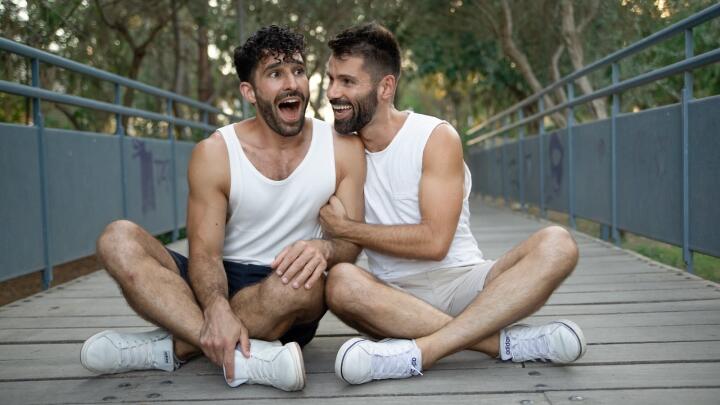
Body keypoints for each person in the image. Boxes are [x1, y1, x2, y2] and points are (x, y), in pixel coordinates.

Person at [80, 25, 365, 392]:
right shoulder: (215, 152)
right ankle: (250, 357)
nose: (291, 83)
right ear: (249, 91)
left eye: (297, 70)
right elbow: (204, 255)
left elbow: (351, 243)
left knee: (302, 287)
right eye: (275, 74)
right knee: (116, 238)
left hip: (285, 287)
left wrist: (325, 248)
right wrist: (215, 307)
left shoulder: (342, 148)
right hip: (217, 279)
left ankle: (171, 348)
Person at [319, 23, 586, 385]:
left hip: (465, 283)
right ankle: (501, 344)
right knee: (340, 283)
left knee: (559, 244)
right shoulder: (334, 148)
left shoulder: (434, 136)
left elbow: (435, 242)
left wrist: (347, 229)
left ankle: (421, 353)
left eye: (347, 82)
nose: (333, 92)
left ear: (385, 87)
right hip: (393, 299)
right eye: (331, 79)